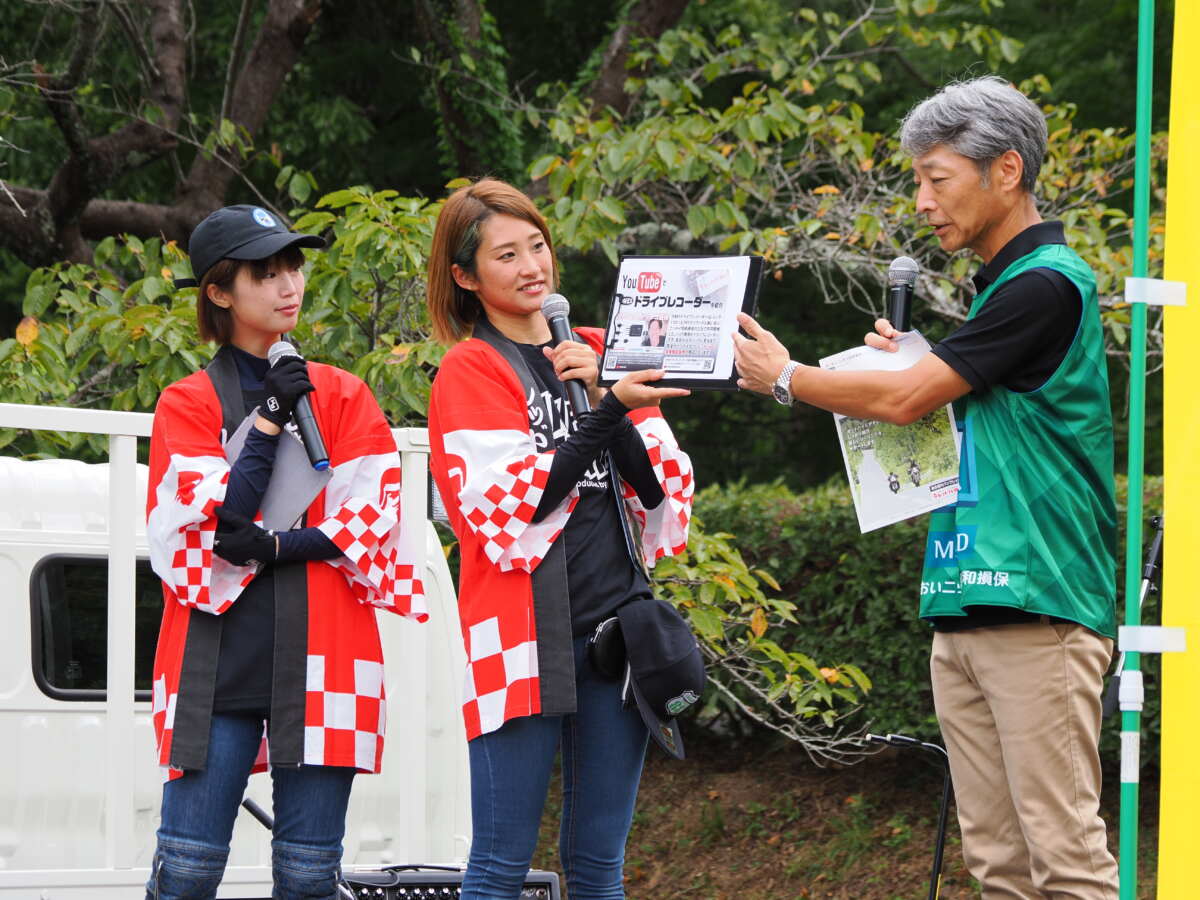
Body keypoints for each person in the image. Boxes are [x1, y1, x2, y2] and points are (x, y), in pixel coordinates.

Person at [733, 76, 1118, 898]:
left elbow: (907, 401)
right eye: (919, 181)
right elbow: (931, 405)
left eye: (937, 179)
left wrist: (786, 376)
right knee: (998, 866)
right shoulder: (999, 295)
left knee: (1066, 862)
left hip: (1039, 600)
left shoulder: (1047, 283)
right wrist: (908, 368)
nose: (922, 202)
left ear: (1005, 170)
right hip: (966, 597)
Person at [144, 205, 428, 899]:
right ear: (218, 292)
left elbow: (374, 523)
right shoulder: (187, 401)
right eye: (265, 274)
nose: (288, 286)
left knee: (308, 877)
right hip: (215, 662)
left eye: (292, 268)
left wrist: (272, 545)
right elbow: (217, 526)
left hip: (327, 654)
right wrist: (271, 417)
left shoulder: (344, 393)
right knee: (187, 872)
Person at [425, 177, 696, 900]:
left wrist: (607, 398)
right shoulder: (470, 367)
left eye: (537, 246)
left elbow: (657, 489)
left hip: (617, 634)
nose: (531, 267)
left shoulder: (601, 348)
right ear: (465, 277)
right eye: (506, 255)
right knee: (500, 864)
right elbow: (512, 504)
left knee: (600, 864)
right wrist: (606, 412)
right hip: (518, 637)